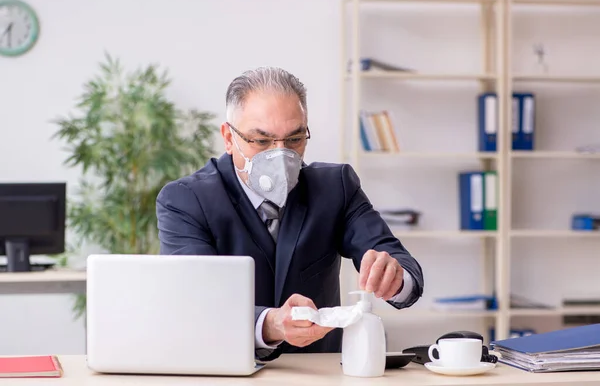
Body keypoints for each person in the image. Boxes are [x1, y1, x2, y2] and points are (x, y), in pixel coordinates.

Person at [156, 67, 424, 361]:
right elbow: (195, 299)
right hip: (224, 369)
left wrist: (394, 277)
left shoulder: (335, 187)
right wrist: (269, 324)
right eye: (261, 141)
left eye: (295, 139)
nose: (280, 155)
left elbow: (400, 263)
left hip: (317, 373)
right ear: (229, 138)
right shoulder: (185, 200)